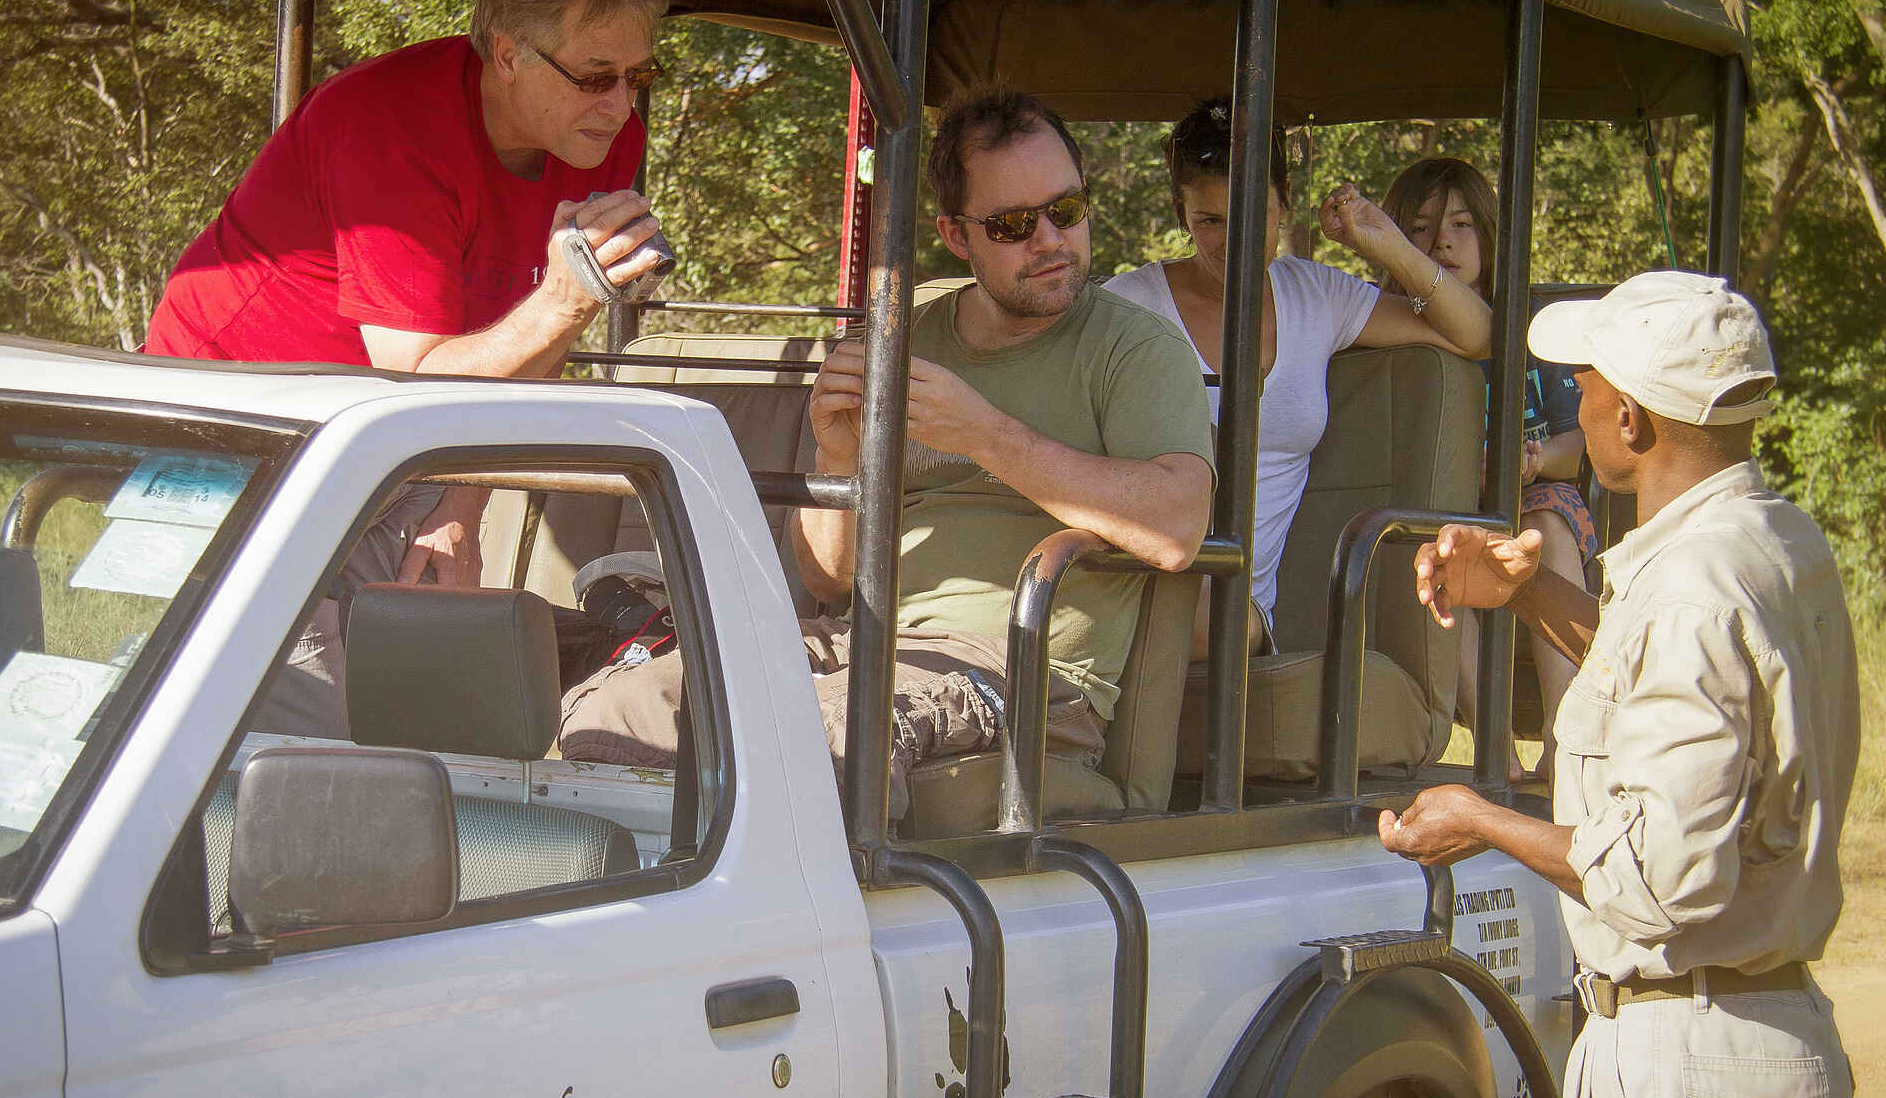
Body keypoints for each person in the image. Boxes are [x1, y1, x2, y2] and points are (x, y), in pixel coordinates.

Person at [559, 88, 1215, 820]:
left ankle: (800, 896)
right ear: (956, 236)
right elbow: (829, 578)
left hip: (1024, 670)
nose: (1050, 240)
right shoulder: (902, 343)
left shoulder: (1136, 349)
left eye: (1067, 209)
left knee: (830, 732)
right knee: (615, 708)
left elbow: (1176, 528)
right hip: (867, 641)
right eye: (1013, 224)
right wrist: (838, 457)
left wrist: (983, 433)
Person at [1379, 271, 1856, 1098]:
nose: (1579, 399)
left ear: (1631, 420)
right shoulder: (1773, 540)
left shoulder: (1687, 588)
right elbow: (1677, 682)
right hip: (1774, 1045)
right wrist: (1525, 592)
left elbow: (1653, 877)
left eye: (1587, 382)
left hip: (1684, 1078)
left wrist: (1481, 819)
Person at [145, 0, 670, 735]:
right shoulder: (391, 128)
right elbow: (418, 378)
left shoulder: (601, 135)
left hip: (385, 426)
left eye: (640, 75)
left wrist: (462, 502)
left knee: (417, 713)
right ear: (508, 54)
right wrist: (568, 299)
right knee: (299, 729)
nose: (618, 105)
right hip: (235, 434)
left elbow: (539, 344)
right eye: (595, 75)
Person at [1103, 100, 1491, 657]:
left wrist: (1388, 245)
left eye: (1254, 214)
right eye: (1210, 221)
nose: (1234, 241)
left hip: (1234, 610)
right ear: (1180, 213)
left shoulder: (1316, 295)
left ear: (1285, 198)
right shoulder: (1124, 307)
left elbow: (1476, 335)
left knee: (1196, 619)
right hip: (1132, 577)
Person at [1376, 157, 1595, 776]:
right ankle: (1495, 747)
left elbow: (1580, 444)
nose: (1442, 242)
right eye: (1421, 228)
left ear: (1491, 235)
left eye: (1462, 224)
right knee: (1439, 557)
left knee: (1546, 525)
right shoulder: (1386, 328)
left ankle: (1563, 733)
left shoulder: (1531, 329)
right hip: (1441, 511)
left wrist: (1533, 459)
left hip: (1531, 501)